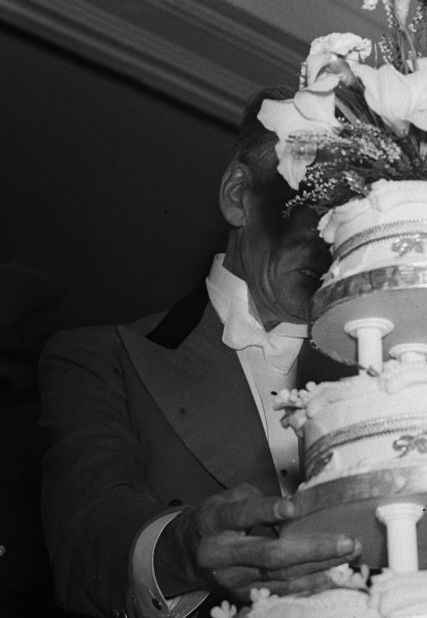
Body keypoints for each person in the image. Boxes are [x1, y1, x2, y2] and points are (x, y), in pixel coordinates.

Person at [39, 88, 361, 618]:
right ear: (239, 195)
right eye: (316, 199)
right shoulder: (99, 358)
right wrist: (184, 548)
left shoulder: (387, 382)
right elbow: (89, 539)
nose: (332, 235)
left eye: (354, 213)